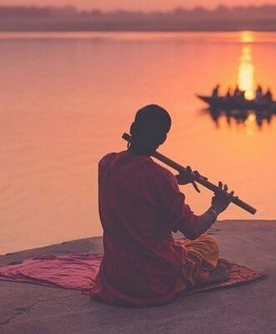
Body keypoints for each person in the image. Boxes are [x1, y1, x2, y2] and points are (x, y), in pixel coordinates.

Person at [89, 104, 234, 306]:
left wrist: (175, 180)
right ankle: (193, 277)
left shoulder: (106, 164)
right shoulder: (159, 178)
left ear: (132, 128)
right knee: (208, 244)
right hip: (152, 278)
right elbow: (193, 229)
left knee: (180, 246)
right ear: (162, 139)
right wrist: (216, 207)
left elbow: (136, 189)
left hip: (116, 275)